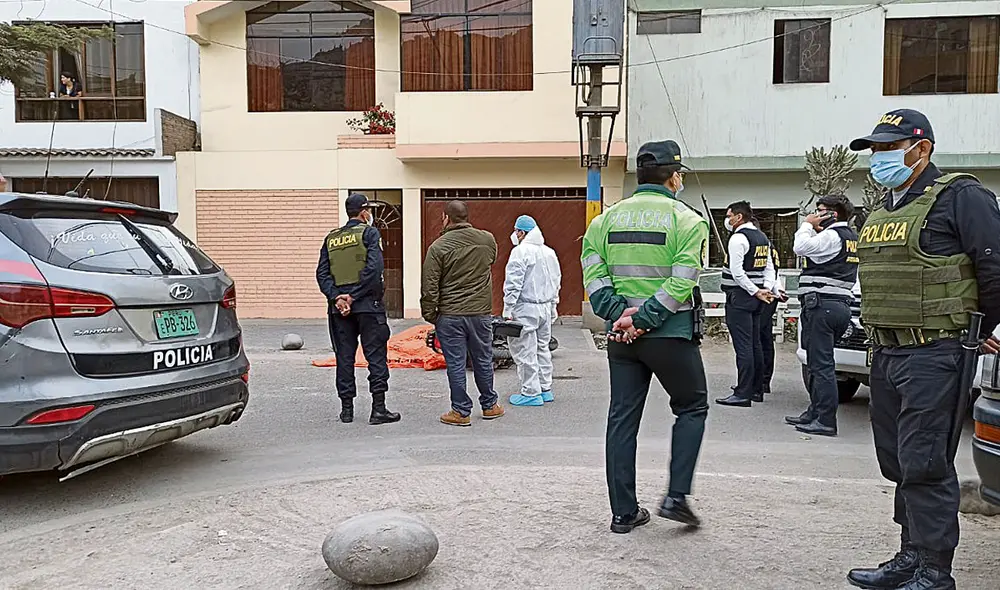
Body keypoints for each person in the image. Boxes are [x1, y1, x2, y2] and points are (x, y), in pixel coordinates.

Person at [845, 109, 1000, 590]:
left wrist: (973, 330)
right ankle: (910, 554)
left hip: (936, 352)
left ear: (921, 148)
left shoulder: (962, 196)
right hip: (888, 353)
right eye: (875, 150)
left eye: (888, 149)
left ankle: (935, 570)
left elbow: (994, 270)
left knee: (926, 460)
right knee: (897, 460)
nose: (879, 158)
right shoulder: (886, 210)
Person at [581, 139, 711, 534]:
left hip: (622, 339)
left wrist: (620, 316)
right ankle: (675, 496)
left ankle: (623, 512)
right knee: (691, 407)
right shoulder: (687, 220)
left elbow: (593, 273)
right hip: (670, 335)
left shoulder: (604, 220)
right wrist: (647, 318)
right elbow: (683, 280)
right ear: (674, 176)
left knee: (621, 419)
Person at [315, 192, 400, 426]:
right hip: (368, 307)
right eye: (369, 210)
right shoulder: (370, 233)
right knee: (375, 357)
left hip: (339, 310)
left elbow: (322, 274)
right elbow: (374, 270)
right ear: (364, 212)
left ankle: (347, 411)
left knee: (344, 357)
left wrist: (337, 298)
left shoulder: (331, 238)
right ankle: (378, 409)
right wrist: (353, 297)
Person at [421, 200, 505, 427]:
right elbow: (491, 261)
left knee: (456, 363)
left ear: (446, 218)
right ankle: (489, 406)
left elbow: (429, 286)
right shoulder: (487, 239)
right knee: (483, 359)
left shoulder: (438, 247)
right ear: (467, 217)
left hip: (450, 315)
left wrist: (431, 315)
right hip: (480, 314)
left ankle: (460, 411)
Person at [784, 195, 858, 437]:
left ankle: (825, 419)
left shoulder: (833, 235)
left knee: (822, 365)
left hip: (823, 306)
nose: (816, 214)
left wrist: (806, 224)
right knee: (816, 363)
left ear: (833, 215)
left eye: (820, 211)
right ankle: (814, 412)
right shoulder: (848, 238)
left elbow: (801, 248)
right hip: (834, 305)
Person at [715, 201, 776, 407]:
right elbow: (769, 268)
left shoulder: (738, 238)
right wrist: (765, 289)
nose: (727, 220)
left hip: (741, 297)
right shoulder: (762, 237)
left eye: (729, 215)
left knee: (744, 347)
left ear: (738, 217)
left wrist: (756, 291)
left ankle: (743, 393)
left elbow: (737, 272)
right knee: (755, 344)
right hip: (757, 299)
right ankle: (756, 389)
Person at [502, 214, 562, 407]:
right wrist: (553, 306)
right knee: (542, 349)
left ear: (521, 232)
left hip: (525, 307)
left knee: (524, 350)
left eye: (516, 231)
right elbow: (556, 281)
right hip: (545, 307)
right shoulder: (549, 252)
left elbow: (513, 283)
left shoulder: (520, 252)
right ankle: (545, 388)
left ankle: (530, 392)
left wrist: (508, 308)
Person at [758, 241, 787, 395]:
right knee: (765, 338)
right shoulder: (770, 246)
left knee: (759, 338)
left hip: (762, 293)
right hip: (772, 294)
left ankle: (760, 381)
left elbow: (770, 271)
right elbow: (775, 271)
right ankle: (764, 381)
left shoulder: (757, 243)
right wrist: (779, 288)